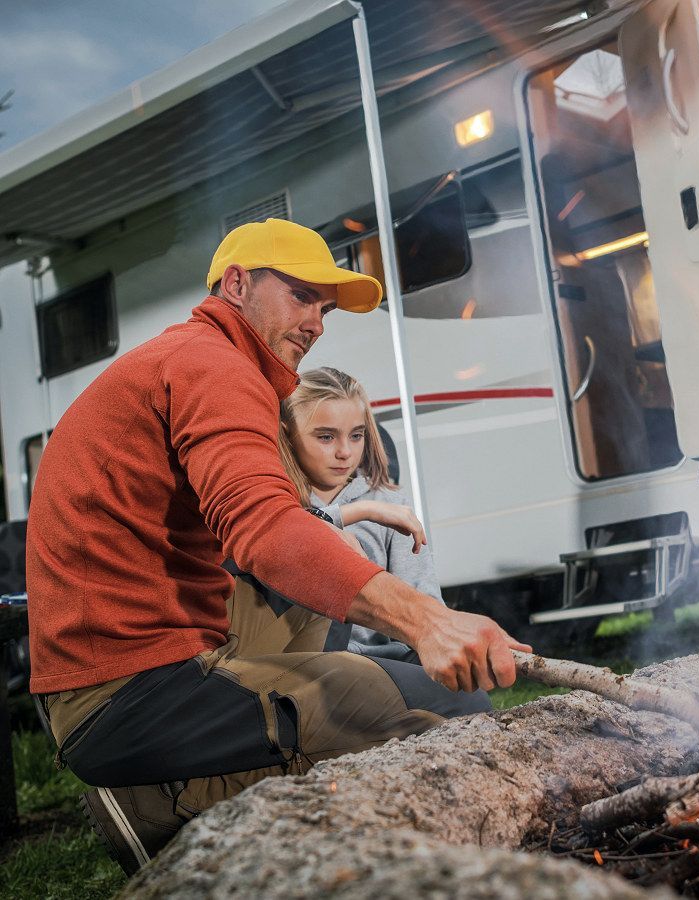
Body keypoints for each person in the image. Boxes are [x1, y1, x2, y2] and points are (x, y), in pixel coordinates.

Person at [24, 218, 530, 874]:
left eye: (324, 308)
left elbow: (277, 523)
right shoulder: (213, 366)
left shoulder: (183, 359)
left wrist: (343, 524)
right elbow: (264, 532)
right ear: (236, 285)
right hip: (128, 698)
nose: (317, 321)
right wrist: (427, 622)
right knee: (446, 706)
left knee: (320, 596)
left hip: (114, 679)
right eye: (301, 295)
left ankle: (218, 790)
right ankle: (163, 810)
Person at [277, 366, 435, 662]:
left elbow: (424, 602)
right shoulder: (276, 499)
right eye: (326, 437)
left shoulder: (391, 503)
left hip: (384, 662)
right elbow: (284, 535)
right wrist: (359, 511)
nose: (345, 452)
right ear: (288, 436)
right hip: (304, 661)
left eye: (356, 436)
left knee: (467, 694)